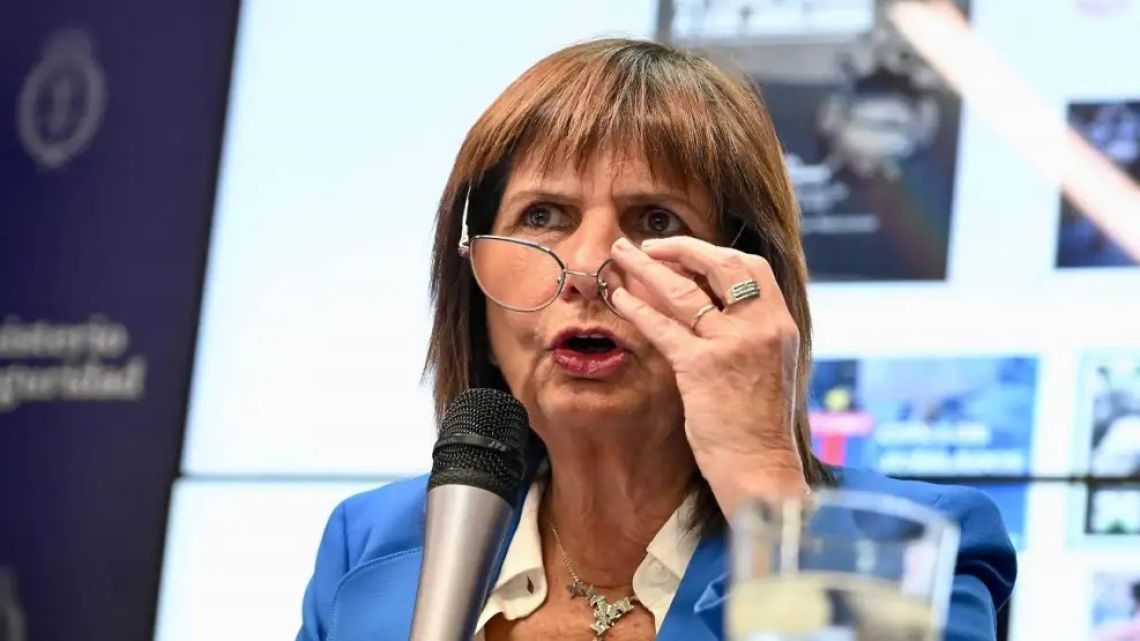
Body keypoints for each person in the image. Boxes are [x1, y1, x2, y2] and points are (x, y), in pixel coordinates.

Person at [296, 38, 1015, 641]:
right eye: (543, 214)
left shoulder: (923, 546)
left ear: (748, 284)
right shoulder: (373, 545)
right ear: (473, 274)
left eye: (657, 221)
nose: (585, 268)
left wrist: (762, 472)